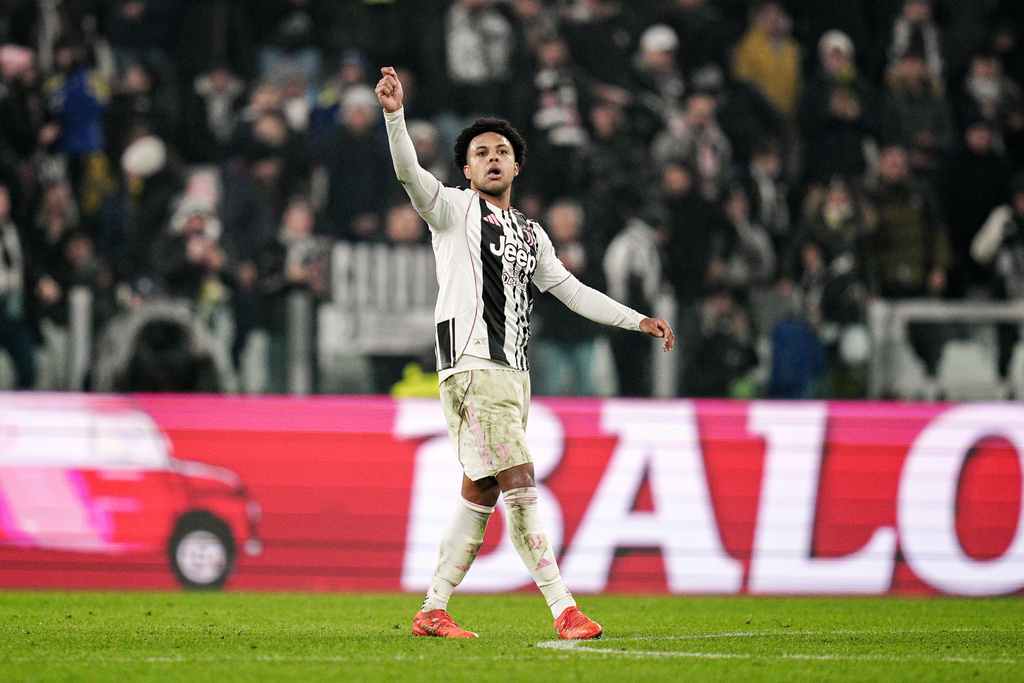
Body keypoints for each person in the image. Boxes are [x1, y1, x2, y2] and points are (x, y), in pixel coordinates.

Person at [375, 66, 673, 640]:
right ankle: (564, 609)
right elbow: (410, 174)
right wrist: (395, 116)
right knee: (519, 479)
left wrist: (637, 320)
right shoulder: (452, 211)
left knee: (481, 491)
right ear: (466, 169)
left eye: (501, 152)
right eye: (480, 152)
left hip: (513, 377)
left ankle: (432, 608)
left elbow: (574, 293)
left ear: (516, 166)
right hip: (471, 369)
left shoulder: (530, 233)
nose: (491, 158)